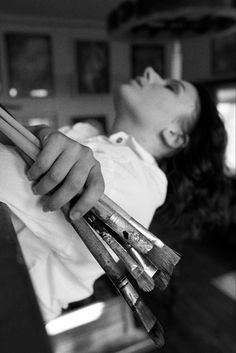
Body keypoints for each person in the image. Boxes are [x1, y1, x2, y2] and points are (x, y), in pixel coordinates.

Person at [0, 67, 227, 321]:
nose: (151, 71)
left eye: (170, 87)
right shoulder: (88, 133)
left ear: (174, 135)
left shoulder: (133, 185)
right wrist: (41, 134)